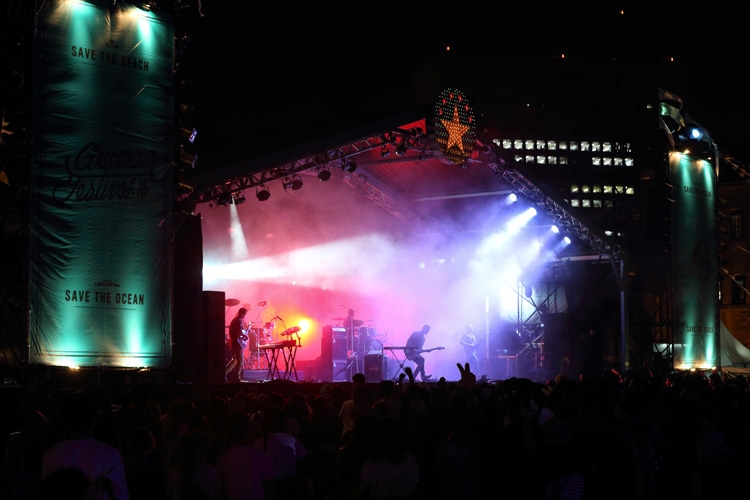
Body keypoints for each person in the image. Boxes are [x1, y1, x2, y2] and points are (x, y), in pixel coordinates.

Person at [225, 307, 249, 383]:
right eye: (244, 314)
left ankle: (223, 374)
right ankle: (237, 378)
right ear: (242, 313)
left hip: (233, 342)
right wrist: (245, 336)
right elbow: (239, 332)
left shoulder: (235, 320)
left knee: (234, 360)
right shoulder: (238, 320)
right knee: (240, 360)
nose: (244, 316)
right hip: (237, 343)